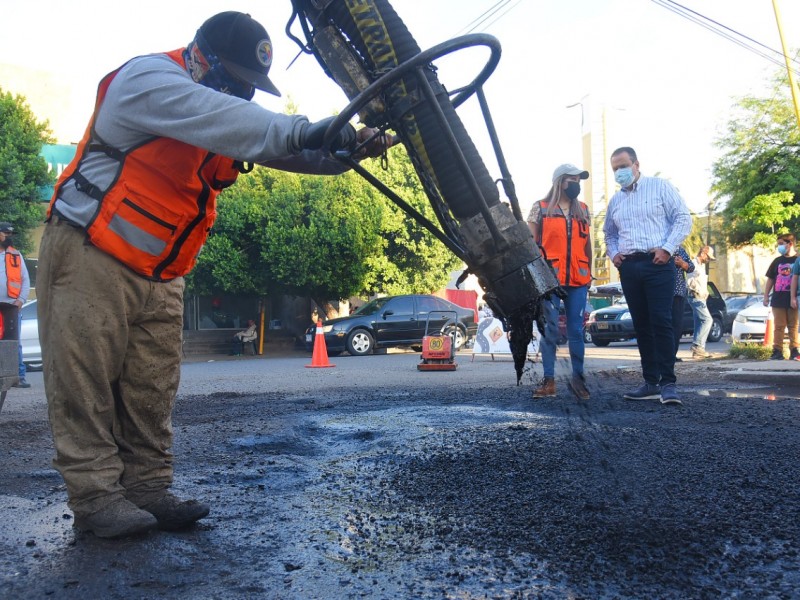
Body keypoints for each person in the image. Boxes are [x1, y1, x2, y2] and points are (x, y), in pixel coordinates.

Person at [37, 11, 391, 539]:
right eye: (239, 83)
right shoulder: (150, 81)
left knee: (151, 388)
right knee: (83, 383)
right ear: (204, 58)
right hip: (91, 253)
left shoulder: (220, 112)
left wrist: (345, 147)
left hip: (162, 273)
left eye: (251, 88)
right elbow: (245, 124)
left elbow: (286, 148)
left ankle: (148, 488)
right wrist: (303, 128)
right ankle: (96, 500)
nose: (244, 96)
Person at [603, 147, 692, 405]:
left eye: (623, 165)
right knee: (641, 324)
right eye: (615, 168)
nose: (619, 172)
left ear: (636, 164)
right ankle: (650, 381)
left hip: (658, 263)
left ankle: (668, 383)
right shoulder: (616, 201)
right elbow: (609, 233)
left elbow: (683, 219)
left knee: (661, 321)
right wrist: (614, 253)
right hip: (629, 267)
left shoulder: (659, 187)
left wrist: (667, 248)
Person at [527, 164, 592, 400]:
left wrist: (590, 274)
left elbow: (587, 246)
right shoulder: (540, 208)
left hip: (578, 278)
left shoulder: (583, 210)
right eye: (572, 179)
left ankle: (578, 381)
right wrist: (534, 280)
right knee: (550, 331)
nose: (576, 184)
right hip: (548, 280)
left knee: (576, 330)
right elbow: (530, 247)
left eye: (579, 180)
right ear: (559, 182)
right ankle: (549, 381)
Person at [0, 222, 31, 388]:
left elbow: (25, 280)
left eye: (11, 234)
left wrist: (21, 301)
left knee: (13, 342)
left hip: (11, 305)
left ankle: (18, 377)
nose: (9, 236)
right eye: (6, 233)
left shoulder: (16, 256)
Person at [764, 234, 799, 360]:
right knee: (779, 326)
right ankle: (777, 351)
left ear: (790, 243)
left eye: (781, 243)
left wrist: (794, 297)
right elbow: (770, 279)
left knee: (793, 325)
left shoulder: (798, 259)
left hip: (793, 298)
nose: (779, 246)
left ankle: (794, 350)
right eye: (778, 244)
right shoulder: (777, 261)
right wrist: (766, 296)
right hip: (778, 298)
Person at [685, 245, 716, 359]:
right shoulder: (693, 263)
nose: (708, 260)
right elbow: (690, 281)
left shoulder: (701, 266)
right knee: (707, 320)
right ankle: (698, 346)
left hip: (701, 297)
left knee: (699, 322)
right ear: (703, 253)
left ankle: (698, 352)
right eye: (708, 257)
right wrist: (698, 291)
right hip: (695, 296)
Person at [672, 245, 695, 362]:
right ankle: (661, 354)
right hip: (661, 293)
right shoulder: (655, 247)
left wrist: (682, 263)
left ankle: (672, 354)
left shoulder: (679, 250)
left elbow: (691, 267)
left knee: (677, 325)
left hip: (678, 293)